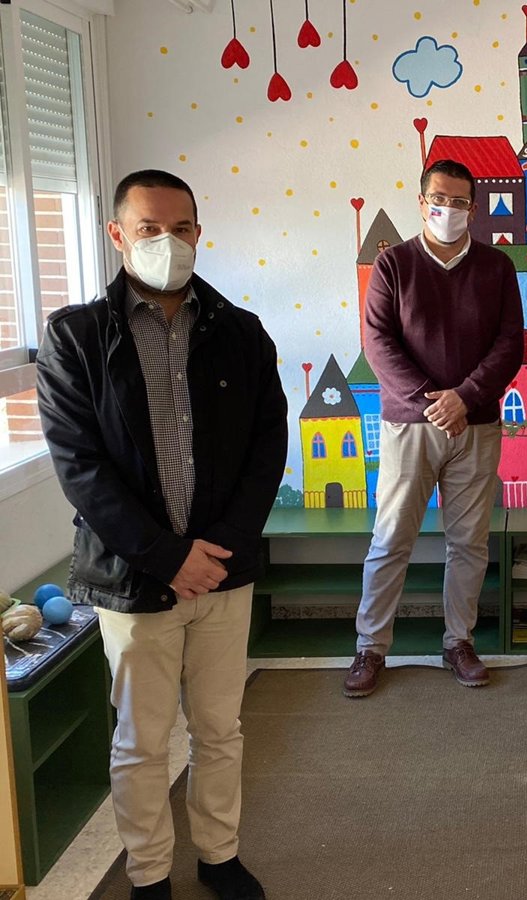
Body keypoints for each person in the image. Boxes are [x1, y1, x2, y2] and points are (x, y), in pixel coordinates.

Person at [36, 170, 287, 900]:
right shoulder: (76, 337)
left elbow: (267, 448)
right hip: (133, 577)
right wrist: (169, 557)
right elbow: (80, 468)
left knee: (220, 730)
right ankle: (148, 873)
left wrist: (221, 549)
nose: (167, 242)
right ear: (118, 235)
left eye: (180, 229)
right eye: (149, 229)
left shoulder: (241, 332)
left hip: (222, 574)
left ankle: (219, 856)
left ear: (198, 234)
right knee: (142, 740)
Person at [344, 158, 524, 697]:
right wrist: (434, 402)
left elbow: (510, 343)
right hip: (410, 425)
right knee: (391, 539)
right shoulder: (393, 264)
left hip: (477, 424)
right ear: (422, 203)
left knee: (468, 543)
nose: (449, 209)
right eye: (439, 199)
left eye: (460, 201)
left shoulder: (497, 267)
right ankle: (370, 647)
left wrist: (464, 398)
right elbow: (378, 343)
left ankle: (458, 642)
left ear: (474, 208)